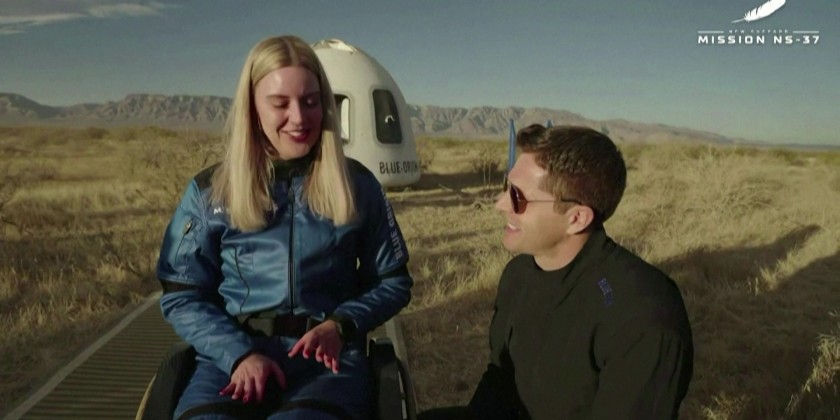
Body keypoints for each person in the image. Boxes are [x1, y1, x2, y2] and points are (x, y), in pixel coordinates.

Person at [156, 35, 412, 420]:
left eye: (310, 102)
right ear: (252, 108)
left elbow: (393, 281)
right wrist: (238, 354)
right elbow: (183, 293)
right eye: (280, 104)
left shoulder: (357, 186)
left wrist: (341, 326)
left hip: (327, 365)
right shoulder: (211, 193)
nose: (299, 118)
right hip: (230, 362)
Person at [422, 124, 693, 420]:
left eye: (517, 197)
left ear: (576, 218)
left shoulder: (642, 316)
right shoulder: (518, 275)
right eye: (506, 186)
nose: (500, 204)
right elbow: (501, 378)